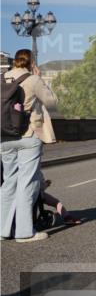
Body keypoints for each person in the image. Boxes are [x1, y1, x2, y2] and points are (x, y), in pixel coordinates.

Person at [1, 49, 57, 242]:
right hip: (28, 134)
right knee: (27, 182)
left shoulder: (3, 77)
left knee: (8, 182)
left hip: (4, 137)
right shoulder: (33, 80)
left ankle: (3, 229)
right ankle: (24, 232)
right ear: (31, 62)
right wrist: (40, 78)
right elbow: (51, 101)